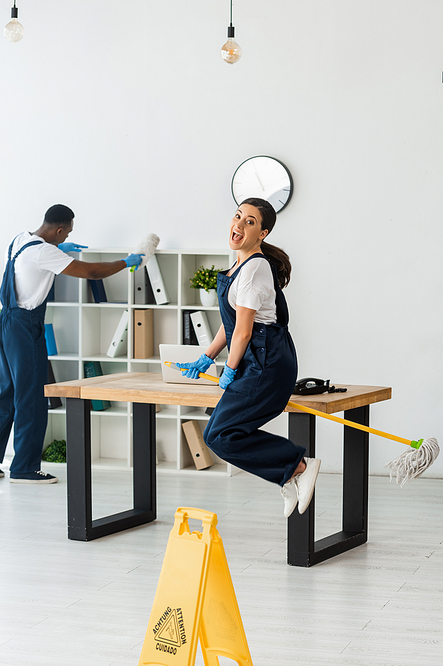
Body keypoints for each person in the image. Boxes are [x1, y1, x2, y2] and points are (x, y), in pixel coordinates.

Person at [177, 197, 321, 517]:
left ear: (262, 233)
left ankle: (298, 465)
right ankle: (288, 473)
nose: (239, 225)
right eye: (238, 216)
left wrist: (228, 369)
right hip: (256, 359)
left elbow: (243, 332)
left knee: (219, 435)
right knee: (220, 433)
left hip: (266, 362)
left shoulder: (255, 267)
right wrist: (206, 356)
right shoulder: (239, 267)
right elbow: (231, 326)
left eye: (250, 222)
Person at [0, 204, 144, 483]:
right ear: (58, 229)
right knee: (31, 398)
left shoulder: (21, 239)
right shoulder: (45, 252)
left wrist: (60, 251)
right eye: (66, 234)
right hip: (25, 327)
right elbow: (91, 272)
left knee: (5, 395)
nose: (66, 239)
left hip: (6, 322)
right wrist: (126, 262)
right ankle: (24, 468)